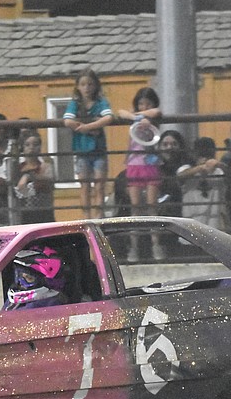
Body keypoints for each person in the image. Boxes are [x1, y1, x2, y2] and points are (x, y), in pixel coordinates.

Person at [117, 87, 164, 261]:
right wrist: (136, 117)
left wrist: (146, 116)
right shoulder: (134, 116)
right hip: (134, 164)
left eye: (147, 103)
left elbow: (157, 111)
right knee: (135, 206)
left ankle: (156, 244)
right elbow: (120, 112)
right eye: (141, 103)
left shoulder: (154, 116)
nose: (144, 106)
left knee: (152, 206)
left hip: (151, 163)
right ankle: (134, 248)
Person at [63, 68, 114, 219]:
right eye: (83, 84)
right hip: (81, 150)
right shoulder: (75, 103)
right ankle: (86, 216)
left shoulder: (101, 102)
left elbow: (108, 117)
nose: (86, 88)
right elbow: (67, 120)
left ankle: (98, 216)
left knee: (99, 185)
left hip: (98, 150)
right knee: (84, 186)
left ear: (95, 86)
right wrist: (85, 129)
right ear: (78, 86)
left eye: (90, 84)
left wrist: (88, 127)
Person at [180, 137, 229, 233]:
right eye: (200, 154)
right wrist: (200, 167)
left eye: (208, 154)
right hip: (191, 229)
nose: (204, 157)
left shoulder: (219, 171)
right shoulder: (187, 168)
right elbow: (180, 176)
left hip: (215, 229)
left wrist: (218, 164)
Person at [3, 245, 70, 310]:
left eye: (29, 278)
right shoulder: (16, 300)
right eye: (18, 275)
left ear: (46, 282)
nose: (20, 282)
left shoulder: (46, 307)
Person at [12, 128, 56, 224]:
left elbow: (46, 186)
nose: (31, 147)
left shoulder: (46, 165)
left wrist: (28, 178)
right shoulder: (17, 168)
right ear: (22, 148)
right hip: (24, 214)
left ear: (40, 147)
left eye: (35, 144)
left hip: (44, 212)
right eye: (27, 145)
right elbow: (17, 192)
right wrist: (32, 187)